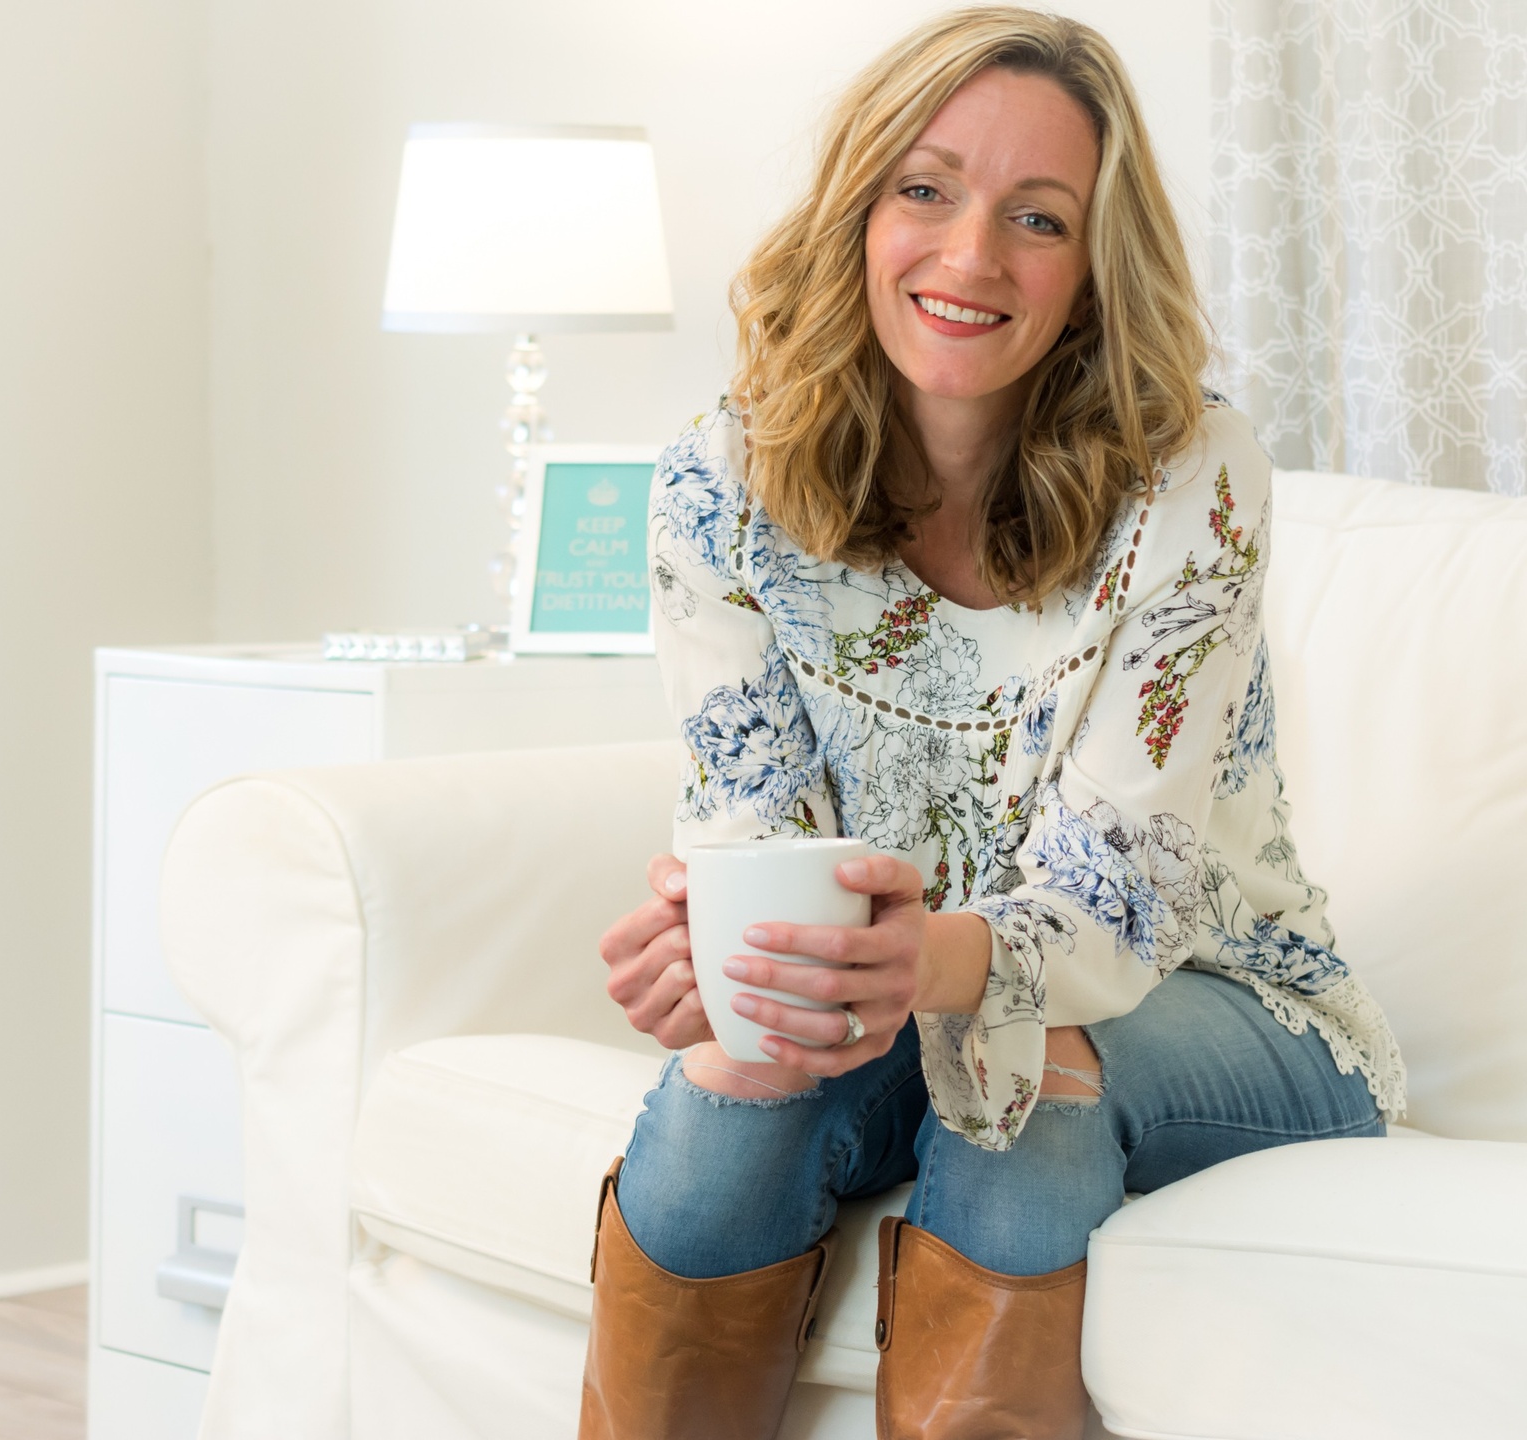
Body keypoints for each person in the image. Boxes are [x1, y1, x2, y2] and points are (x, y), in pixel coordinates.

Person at [582, 9, 1405, 1439]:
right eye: (926, 189)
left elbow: (1118, 899)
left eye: (1038, 218)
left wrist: (921, 964)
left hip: (1221, 997)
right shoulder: (722, 479)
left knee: (1024, 1086)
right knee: (726, 1099)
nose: (970, 258)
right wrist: (735, 972)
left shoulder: (1190, 476)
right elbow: (754, 822)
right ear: (859, 209)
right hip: (909, 998)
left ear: (1090, 273)